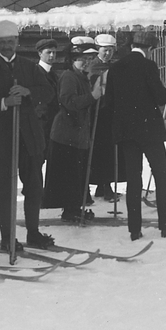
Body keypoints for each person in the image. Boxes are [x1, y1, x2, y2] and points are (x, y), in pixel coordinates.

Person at [0, 20, 56, 250]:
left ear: (17, 42)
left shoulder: (30, 68)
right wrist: (4, 102)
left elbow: (48, 93)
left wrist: (28, 91)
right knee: (5, 190)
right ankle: (7, 238)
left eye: (10, 42)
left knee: (33, 188)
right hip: (2, 141)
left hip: (30, 138)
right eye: (2, 42)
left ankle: (33, 233)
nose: (7, 46)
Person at [107, 30, 166, 240]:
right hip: (149, 131)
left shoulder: (115, 67)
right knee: (161, 176)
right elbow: (161, 97)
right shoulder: (148, 66)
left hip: (126, 133)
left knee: (133, 181)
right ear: (149, 49)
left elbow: (110, 101)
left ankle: (134, 230)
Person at [42, 42, 101, 224]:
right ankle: (70, 210)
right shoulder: (69, 77)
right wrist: (94, 95)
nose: (85, 63)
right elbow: (69, 101)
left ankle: (75, 208)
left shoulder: (82, 77)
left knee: (76, 173)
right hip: (65, 134)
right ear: (73, 60)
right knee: (69, 174)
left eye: (89, 60)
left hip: (77, 134)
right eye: (81, 60)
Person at [87, 32, 124, 203]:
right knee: (101, 151)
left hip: (110, 113)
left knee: (109, 150)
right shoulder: (93, 67)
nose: (107, 53)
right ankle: (105, 186)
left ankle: (103, 186)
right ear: (97, 50)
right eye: (104, 50)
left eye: (110, 50)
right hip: (97, 113)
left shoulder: (114, 66)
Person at [34, 38, 60, 164]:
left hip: (52, 123)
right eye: (48, 52)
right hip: (40, 124)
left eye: (54, 53)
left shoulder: (54, 75)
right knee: (38, 160)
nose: (52, 56)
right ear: (40, 53)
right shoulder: (35, 72)